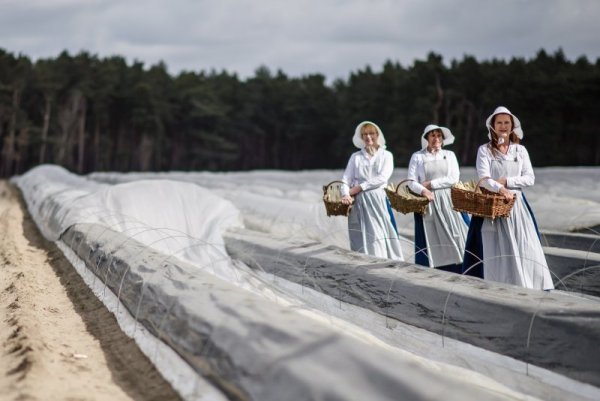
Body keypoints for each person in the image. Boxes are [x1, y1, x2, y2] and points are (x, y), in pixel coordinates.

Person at [462, 106, 554, 290]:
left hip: (517, 205)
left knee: (525, 244)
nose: (503, 126)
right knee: (494, 247)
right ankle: (496, 285)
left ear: (512, 126)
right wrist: (500, 188)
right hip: (492, 205)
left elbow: (530, 178)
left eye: (506, 122)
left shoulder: (520, 151)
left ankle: (529, 284)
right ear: (493, 126)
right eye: (499, 123)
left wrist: (507, 181)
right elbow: (483, 178)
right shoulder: (485, 150)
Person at [407, 124, 470, 272]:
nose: (436, 139)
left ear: (442, 139)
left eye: (439, 136)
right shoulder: (418, 156)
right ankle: (434, 271)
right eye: (432, 135)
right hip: (428, 201)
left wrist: (430, 183)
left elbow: (454, 178)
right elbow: (411, 181)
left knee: (457, 232)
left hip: (449, 199)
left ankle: (463, 267)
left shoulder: (449, 155)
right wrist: (423, 191)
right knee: (432, 238)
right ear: (427, 138)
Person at [340, 121, 404, 260]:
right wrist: (345, 194)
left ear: (377, 135)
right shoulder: (356, 157)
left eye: (371, 133)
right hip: (358, 202)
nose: (368, 137)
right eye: (365, 134)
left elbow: (382, 177)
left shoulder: (386, 155)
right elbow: (346, 179)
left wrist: (358, 188)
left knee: (378, 234)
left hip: (377, 200)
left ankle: (382, 263)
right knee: (360, 237)